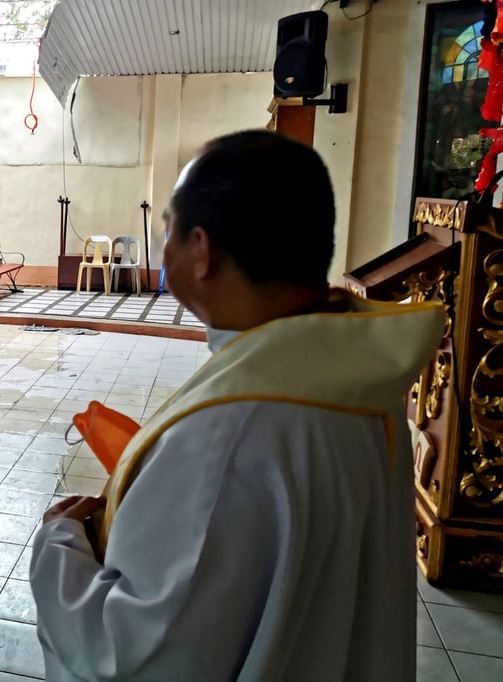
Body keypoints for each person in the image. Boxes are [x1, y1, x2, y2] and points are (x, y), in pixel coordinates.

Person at [29, 130, 444, 681]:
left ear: (200, 252)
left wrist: (57, 544)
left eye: (168, 229)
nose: (164, 243)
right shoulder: (356, 382)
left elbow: (124, 659)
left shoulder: (222, 436)